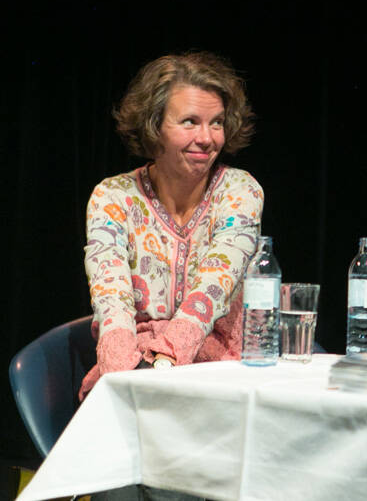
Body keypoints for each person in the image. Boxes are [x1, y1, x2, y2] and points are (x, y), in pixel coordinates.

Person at [79, 51, 264, 400]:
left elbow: (212, 288)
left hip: (221, 369)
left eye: (217, 123)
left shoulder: (240, 191)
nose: (207, 138)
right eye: (190, 122)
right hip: (134, 365)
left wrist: (165, 362)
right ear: (154, 127)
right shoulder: (113, 196)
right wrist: (125, 379)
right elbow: (111, 300)